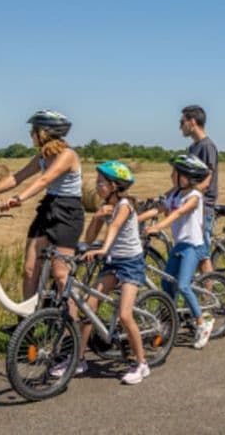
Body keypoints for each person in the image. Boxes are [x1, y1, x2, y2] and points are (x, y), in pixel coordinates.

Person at [0, 110, 84, 304]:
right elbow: (16, 178)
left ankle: (71, 328)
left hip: (68, 212)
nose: (31, 134)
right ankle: (27, 325)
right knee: (30, 269)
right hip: (48, 208)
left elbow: (45, 179)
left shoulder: (68, 155)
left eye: (34, 130)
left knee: (60, 274)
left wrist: (18, 198)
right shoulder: (42, 156)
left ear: (45, 132)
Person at [51, 161, 150, 384]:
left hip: (131, 263)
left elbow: (114, 228)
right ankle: (78, 359)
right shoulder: (106, 207)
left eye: (101, 182)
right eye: (97, 182)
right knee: (88, 309)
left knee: (125, 315)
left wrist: (103, 249)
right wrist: (96, 217)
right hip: (113, 263)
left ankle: (142, 363)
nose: (97, 186)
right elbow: (88, 238)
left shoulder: (124, 205)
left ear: (115, 185)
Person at [145, 154, 214, 350]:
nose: (171, 175)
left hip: (192, 246)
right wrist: (134, 220)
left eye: (175, 172)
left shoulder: (194, 196)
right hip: (179, 246)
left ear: (187, 177)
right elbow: (158, 209)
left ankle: (203, 323)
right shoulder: (175, 194)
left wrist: (158, 227)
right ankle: (170, 323)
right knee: (166, 283)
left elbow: (178, 213)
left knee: (183, 285)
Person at [179, 105, 219, 278]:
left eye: (182, 122)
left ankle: (209, 300)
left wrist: (187, 195)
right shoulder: (192, 148)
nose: (180, 126)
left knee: (202, 256)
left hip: (204, 207)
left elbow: (207, 181)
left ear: (192, 122)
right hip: (193, 205)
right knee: (193, 254)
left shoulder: (207, 146)